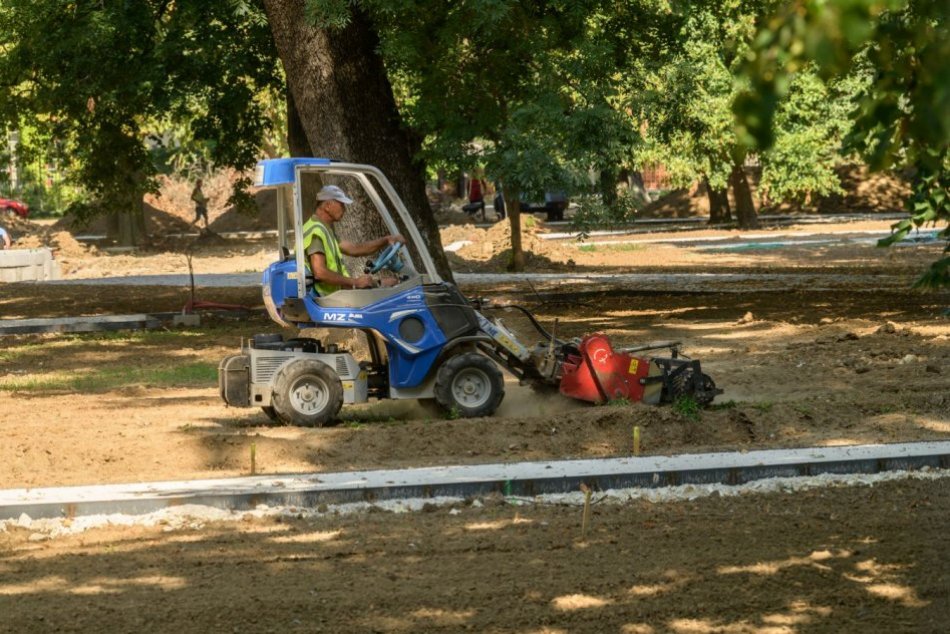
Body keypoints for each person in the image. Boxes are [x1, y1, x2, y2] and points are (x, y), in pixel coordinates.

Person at [303, 185, 406, 296]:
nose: (345, 209)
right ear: (328, 205)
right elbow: (320, 272)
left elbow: (355, 249)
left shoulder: (324, 230)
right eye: (341, 204)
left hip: (337, 294)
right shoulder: (316, 231)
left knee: (387, 285)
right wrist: (355, 282)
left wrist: (386, 240)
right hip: (328, 299)